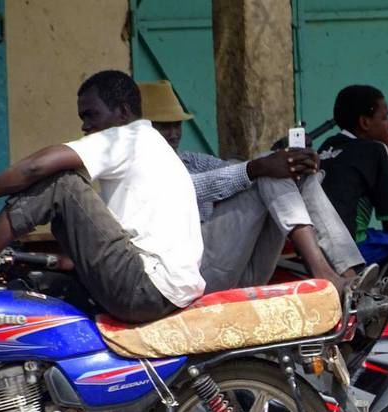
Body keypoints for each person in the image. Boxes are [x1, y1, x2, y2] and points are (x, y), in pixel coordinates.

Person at [0, 70, 203, 323]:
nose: (85, 126)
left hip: (144, 286)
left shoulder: (130, 138)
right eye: (82, 118)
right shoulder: (149, 146)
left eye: (91, 115)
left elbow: (34, 168)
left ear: (122, 112)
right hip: (161, 290)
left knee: (61, 183)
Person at [137, 80, 364, 293]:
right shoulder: (139, 169)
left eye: (176, 125)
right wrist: (260, 165)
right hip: (192, 276)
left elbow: (235, 170)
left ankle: (350, 276)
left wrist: (299, 165)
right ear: (145, 130)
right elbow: (192, 188)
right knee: (265, 167)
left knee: (279, 168)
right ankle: (323, 271)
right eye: (164, 127)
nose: (174, 133)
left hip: (241, 268)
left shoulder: (189, 160)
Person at [318, 85, 388, 265]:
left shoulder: (327, 146)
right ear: (364, 122)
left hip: (316, 246)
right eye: (384, 117)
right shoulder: (377, 150)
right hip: (350, 248)